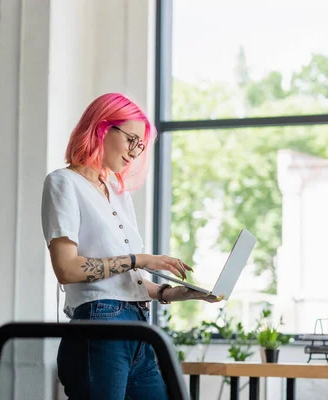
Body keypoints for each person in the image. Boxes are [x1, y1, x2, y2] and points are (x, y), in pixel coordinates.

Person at [41, 93, 220, 400]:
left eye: (141, 145)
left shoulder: (118, 194)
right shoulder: (63, 183)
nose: (135, 152)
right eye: (131, 140)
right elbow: (67, 268)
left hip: (138, 328)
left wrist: (171, 293)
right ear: (101, 128)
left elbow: (123, 281)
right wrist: (139, 259)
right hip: (99, 325)